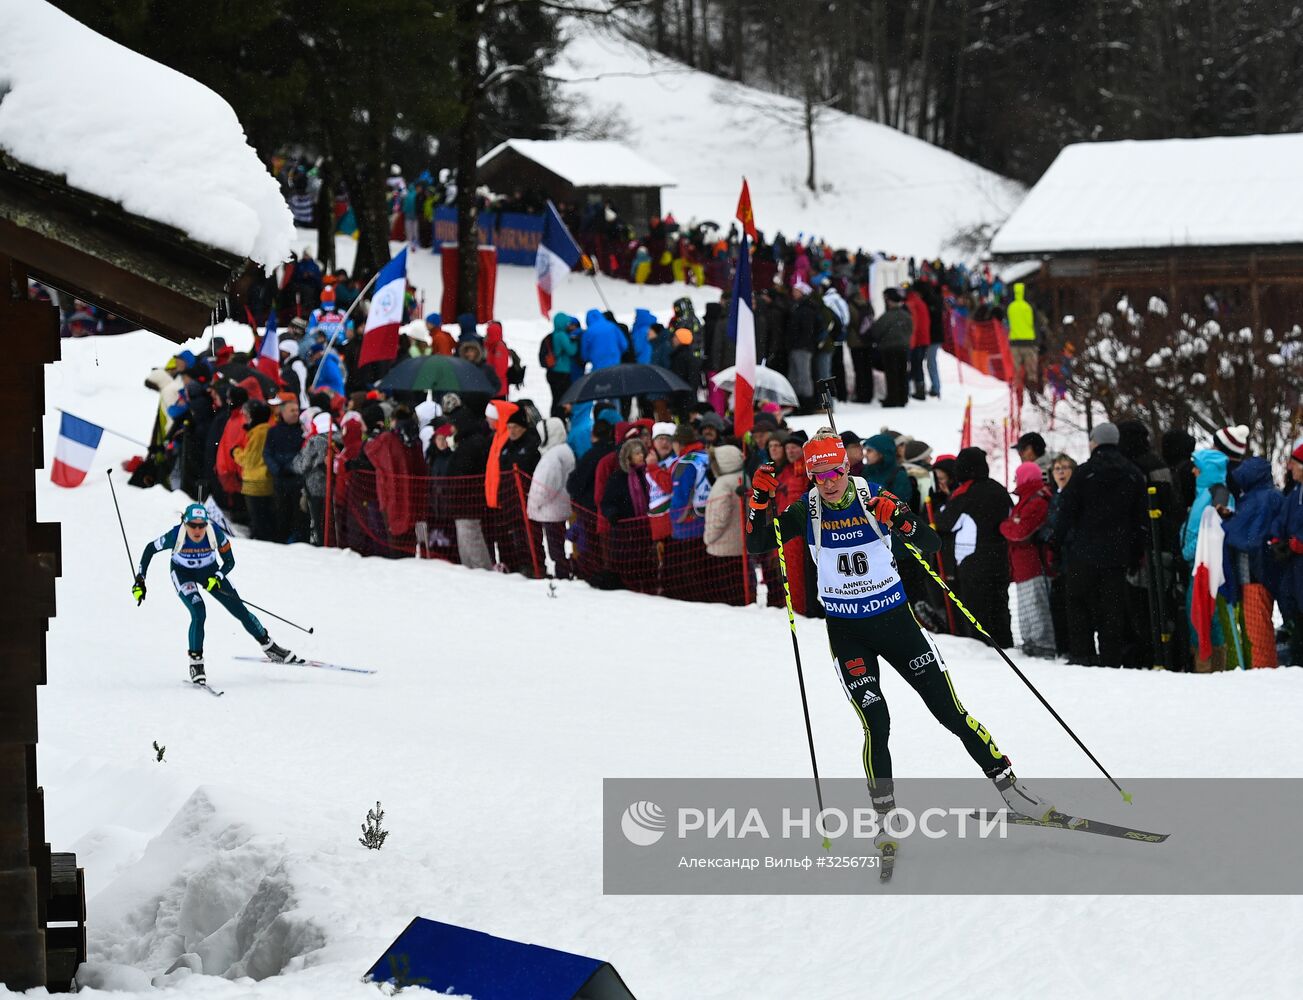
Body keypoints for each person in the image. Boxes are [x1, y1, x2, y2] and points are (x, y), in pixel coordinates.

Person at [746, 431, 1055, 853]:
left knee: (950, 712)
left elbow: (929, 543)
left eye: (835, 471)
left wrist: (903, 521)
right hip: (848, 632)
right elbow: (760, 543)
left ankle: (1011, 789)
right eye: (819, 474)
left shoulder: (873, 495)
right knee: (876, 724)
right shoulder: (808, 509)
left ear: (847, 466)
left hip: (897, 623)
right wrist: (759, 505)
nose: (829, 482)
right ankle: (885, 819)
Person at [132, 503, 300, 685]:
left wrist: (218, 576)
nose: (197, 530)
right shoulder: (175, 535)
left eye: (201, 525)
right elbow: (150, 549)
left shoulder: (215, 534)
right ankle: (196, 664)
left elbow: (229, 562)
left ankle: (270, 648)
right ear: (185, 524)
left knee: (240, 611)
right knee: (198, 612)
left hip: (210, 573)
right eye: (192, 525)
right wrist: (140, 579)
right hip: (183, 574)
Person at [1051, 423, 1146, 667]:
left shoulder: (1084, 473)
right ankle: (1111, 657)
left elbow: (1067, 512)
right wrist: (1136, 553)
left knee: (1078, 603)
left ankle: (1083, 654)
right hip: (1117, 553)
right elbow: (1140, 518)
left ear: (1094, 442)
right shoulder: (1133, 473)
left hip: (1084, 551)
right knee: (1111, 607)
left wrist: (1057, 543)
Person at [933, 447, 1014, 648]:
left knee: (976, 611)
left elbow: (944, 522)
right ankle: (1005, 645)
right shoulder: (999, 489)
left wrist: (943, 503)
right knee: (1000, 606)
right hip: (1000, 558)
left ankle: (983, 649)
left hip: (972, 561)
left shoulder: (964, 492)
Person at [1001, 462, 1056, 657]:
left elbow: (1019, 532)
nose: (1015, 481)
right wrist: (1011, 525)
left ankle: (1043, 644)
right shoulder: (1028, 500)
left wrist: (1006, 527)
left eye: (1017, 477)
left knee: (1036, 606)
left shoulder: (1037, 501)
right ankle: (1031, 642)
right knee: (1026, 607)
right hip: (1024, 565)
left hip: (1034, 564)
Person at [870, 288, 912, 407]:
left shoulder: (887, 316)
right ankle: (903, 397)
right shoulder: (906, 315)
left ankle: (893, 399)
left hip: (889, 348)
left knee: (892, 374)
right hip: (903, 347)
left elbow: (876, 331)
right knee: (902, 373)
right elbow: (910, 329)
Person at [1006, 282, 1038, 392]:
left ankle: (1017, 391)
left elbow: (1009, 323)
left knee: (1016, 369)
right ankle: (1032, 389)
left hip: (1014, 341)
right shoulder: (1029, 307)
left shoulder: (1010, 307)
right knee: (1031, 370)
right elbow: (1035, 323)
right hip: (1029, 341)